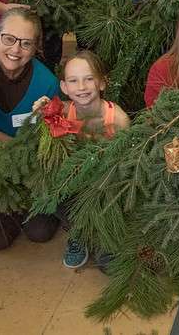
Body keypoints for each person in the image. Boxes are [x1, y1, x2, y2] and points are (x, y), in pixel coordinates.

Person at [0, 8, 61, 245]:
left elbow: (48, 141)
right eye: (9, 39)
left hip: (30, 167)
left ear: (36, 48)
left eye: (26, 43)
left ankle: (32, 206)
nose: (15, 50)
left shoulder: (47, 84)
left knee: (39, 233)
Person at [51, 50, 129, 268]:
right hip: (75, 183)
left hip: (106, 187)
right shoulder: (64, 113)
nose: (82, 87)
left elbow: (126, 164)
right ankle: (77, 232)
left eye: (89, 79)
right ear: (64, 87)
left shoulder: (119, 119)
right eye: (73, 81)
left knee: (109, 263)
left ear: (102, 83)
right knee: (54, 193)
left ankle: (101, 233)